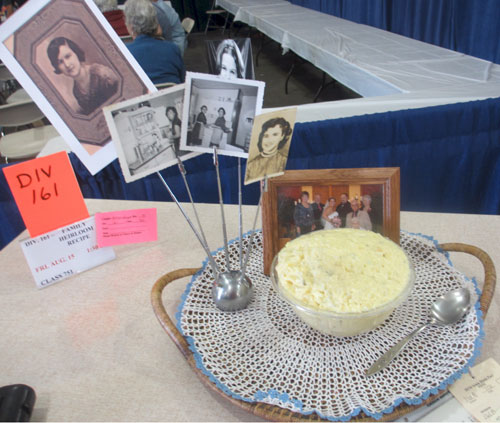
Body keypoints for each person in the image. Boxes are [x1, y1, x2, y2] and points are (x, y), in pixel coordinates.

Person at [46, 36, 119, 115]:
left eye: (68, 56)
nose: (67, 64)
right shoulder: (76, 91)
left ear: (76, 53)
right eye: (60, 62)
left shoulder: (102, 75)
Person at [124, 0, 185, 84]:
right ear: (155, 22)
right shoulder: (172, 49)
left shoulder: (124, 55)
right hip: (174, 96)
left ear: (130, 26)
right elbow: (183, 81)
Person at [245, 117, 292, 183]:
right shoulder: (250, 165)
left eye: (275, 135)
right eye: (266, 136)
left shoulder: (284, 162)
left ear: (282, 136)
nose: (269, 140)